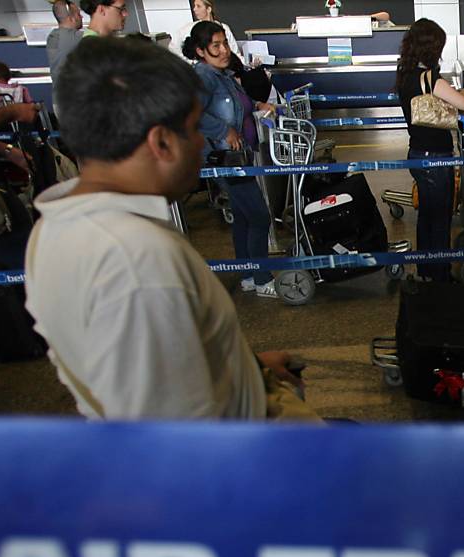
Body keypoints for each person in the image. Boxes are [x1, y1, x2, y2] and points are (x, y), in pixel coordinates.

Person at [24, 36, 304, 419]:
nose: (201, 144)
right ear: (161, 142)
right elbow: (183, 435)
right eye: (193, 129)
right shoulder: (139, 260)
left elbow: (155, 363)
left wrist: (246, 367)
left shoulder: (56, 227)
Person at [183, 21, 278, 297]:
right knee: (259, 216)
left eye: (224, 42)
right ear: (201, 51)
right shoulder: (204, 77)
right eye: (216, 45)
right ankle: (261, 278)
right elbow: (192, 112)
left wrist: (258, 105)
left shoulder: (220, 74)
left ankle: (248, 274)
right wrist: (224, 130)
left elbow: (239, 102)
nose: (224, 50)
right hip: (224, 159)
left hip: (237, 156)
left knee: (243, 217)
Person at [396, 19, 464, 282]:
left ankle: (426, 269)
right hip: (436, 157)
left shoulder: (405, 75)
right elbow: (463, 103)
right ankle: (440, 274)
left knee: (427, 216)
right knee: (440, 217)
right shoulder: (430, 78)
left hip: (417, 153)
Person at [169, 0, 243, 63]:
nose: (194, 9)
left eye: (198, 6)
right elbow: (173, 48)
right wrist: (190, 62)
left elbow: (235, 52)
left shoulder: (224, 28)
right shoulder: (189, 29)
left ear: (208, 9)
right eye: (194, 6)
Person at [46, 0, 83, 84]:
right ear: (71, 18)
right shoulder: (76, 38)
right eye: (78, 14)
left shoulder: (52, 36)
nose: (81, 17)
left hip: (59, 94)